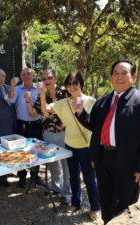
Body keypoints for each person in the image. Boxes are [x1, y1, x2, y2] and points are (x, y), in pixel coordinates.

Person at [73, 59, 140, 224]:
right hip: (103, 159)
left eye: (124, 73)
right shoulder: (104, 100)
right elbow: (94, 125)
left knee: (125, 205)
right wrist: (80, 113)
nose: (119, 77)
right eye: (115, 73)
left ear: (133, 76)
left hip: (128, 163)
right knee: (106, 199)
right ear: (111, 77)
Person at [39, 71, 100, 220]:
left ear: (81, 84)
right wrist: (42, 93)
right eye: (69, 84)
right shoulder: (63, 103)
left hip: (86, 146)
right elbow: (46, 110)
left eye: (75, 83)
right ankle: (76, 203)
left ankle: (95, 208)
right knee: (73, 176)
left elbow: (97, 125)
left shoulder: (91, 101)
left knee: (90, 178)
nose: (72, 87)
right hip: (70, 144)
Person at [28, 69, 71, 205]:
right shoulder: (42, 95)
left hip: (66, 132)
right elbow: (39, 113)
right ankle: (56, 187)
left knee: (66, 165)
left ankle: (67, 194)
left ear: (56, 78)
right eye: (44, 78)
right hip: (48, 133)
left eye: (50, 78)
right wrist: (33, 99)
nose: (47, 81)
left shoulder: (65, 92)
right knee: (52, 162)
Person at [8, 68, 43, 188]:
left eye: (29, 74)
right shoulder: (17, 89)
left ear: (33, 75)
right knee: (21, 150)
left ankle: (35, 175)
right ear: (21, 77)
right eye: (24, 74)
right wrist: (12, 85)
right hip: (21, 124)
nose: (26, 76)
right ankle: (22, 176)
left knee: (36, 149)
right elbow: (11, 100)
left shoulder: (39, 89)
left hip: (36, 124)